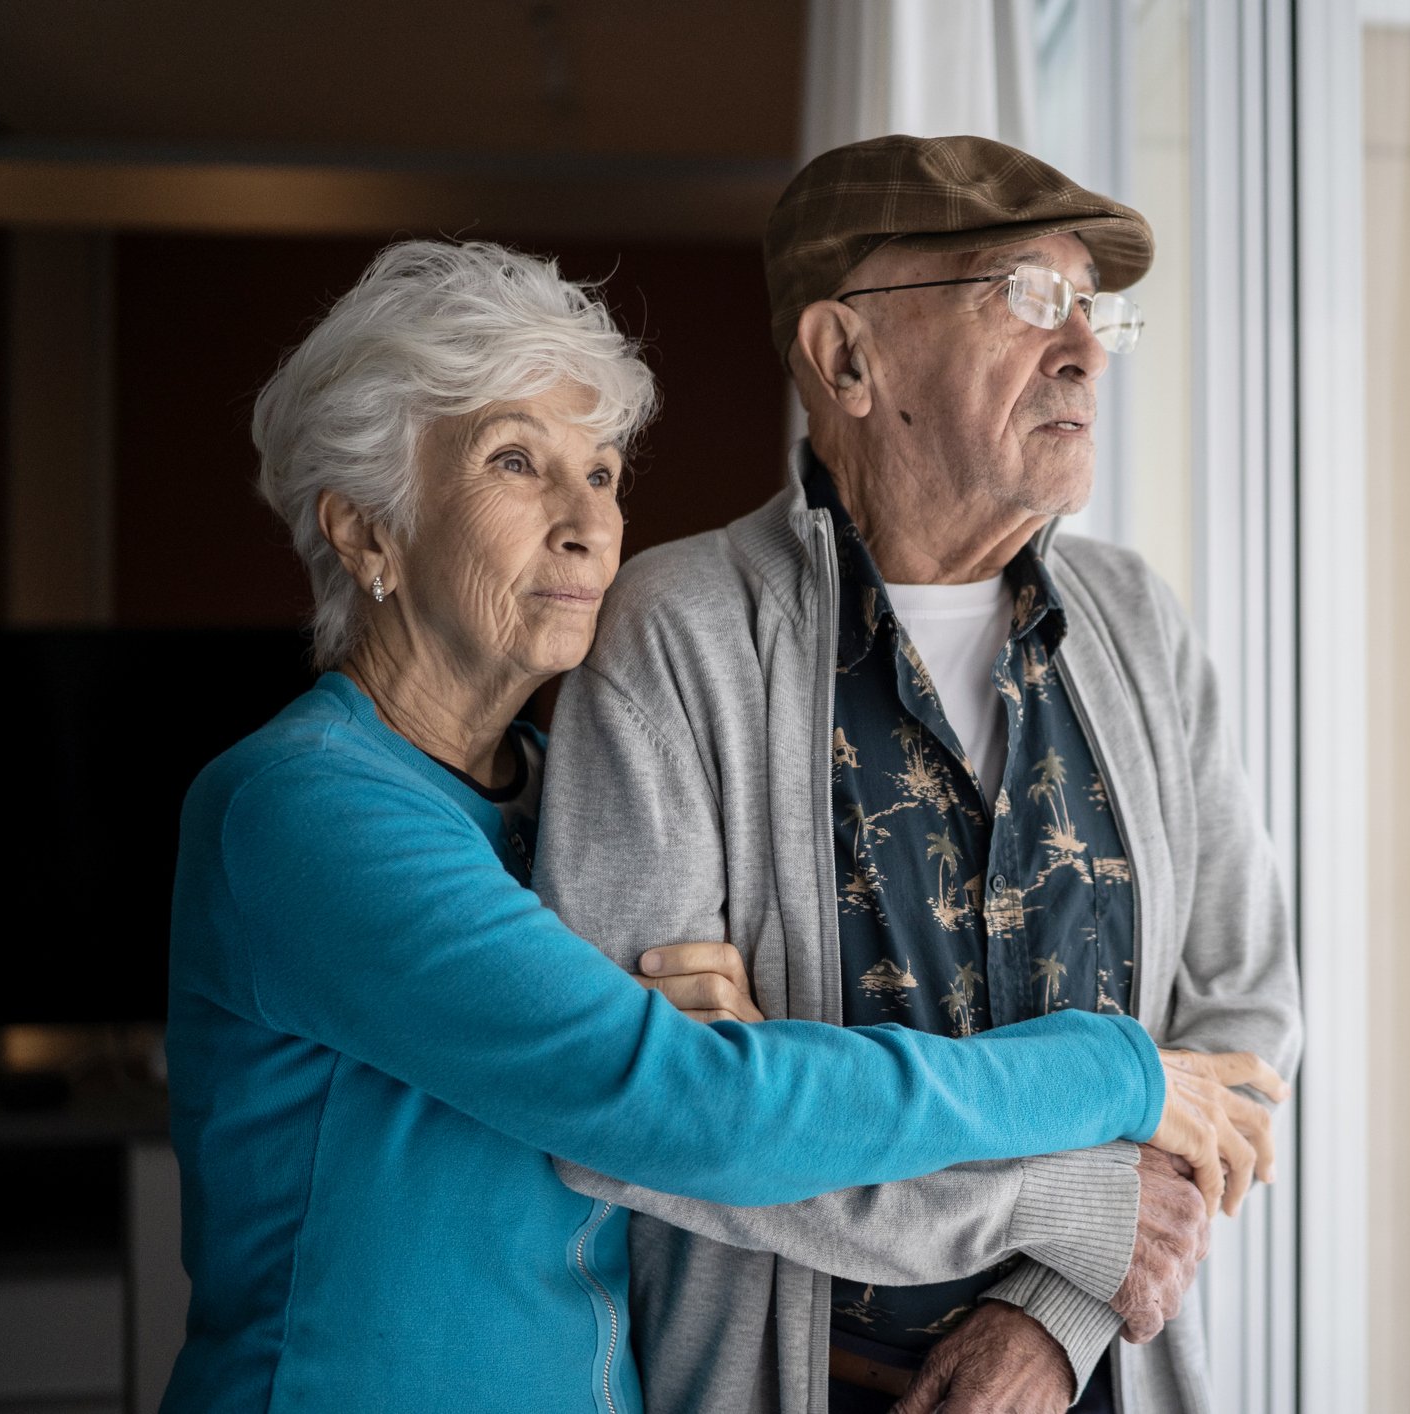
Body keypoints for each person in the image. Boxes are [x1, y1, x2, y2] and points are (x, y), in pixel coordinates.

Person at [162, 239, 1275, 1412]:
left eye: (599, 472)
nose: (588, 525)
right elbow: (696, 1107)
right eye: (514, 461)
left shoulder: (548, 795)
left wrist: (761, 1053)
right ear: (366, 530)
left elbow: (736, 1098)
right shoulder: (304, 816)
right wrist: (1113, 1076)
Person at [535, 135, 1302, 1414]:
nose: (1086, 351)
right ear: (846, 357)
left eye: (1095, 308)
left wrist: (1051, 1312)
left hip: (1110, 1376)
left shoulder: (1137, 624)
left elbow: (1244, 1038)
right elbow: (642, 1124)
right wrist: (1073, 1196)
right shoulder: (678, 635)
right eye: (1030, 299)